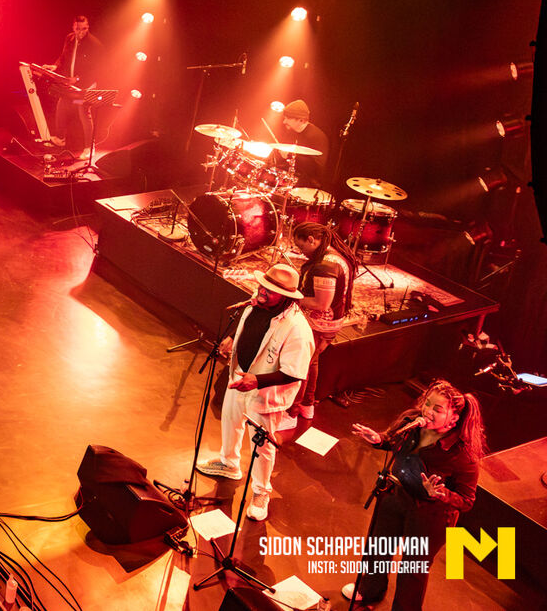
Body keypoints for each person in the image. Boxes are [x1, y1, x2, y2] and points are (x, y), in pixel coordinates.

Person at [345, 379, 486, 611]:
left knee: (412, 569)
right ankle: (370, 590)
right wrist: (380, 440)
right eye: (427, 403)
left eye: (437, 409)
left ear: (454, 418)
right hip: (397, 494)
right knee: (378, 548)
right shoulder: (411, 421)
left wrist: (441, 493)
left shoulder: (463, 455)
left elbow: (467, 500)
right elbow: (394, 441)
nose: (428, 411)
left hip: (430, 515)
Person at [196, 263, 314, 522]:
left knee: (262, 446)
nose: (262, 291)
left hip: (265, 393)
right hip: (241, 376)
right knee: (230, 422)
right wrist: (232, 340)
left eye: (270, 290)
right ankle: (229, 463)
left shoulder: (298, 329)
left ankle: (261, 491)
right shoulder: (256, 304)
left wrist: (258, 381)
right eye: (262, 285)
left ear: (286, 297)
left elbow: (295, 372)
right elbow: (249, 329)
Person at [291, 221, 356, 419]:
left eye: (301, 246)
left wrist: (292, 298)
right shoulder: (335, 256)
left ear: (312, 240)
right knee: (311, 363)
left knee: (300, 366)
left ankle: (292, 412)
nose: (301, 252)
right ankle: (307, 405)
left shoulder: (324, 266)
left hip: (318, 324)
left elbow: (321, 303)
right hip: (330, 322)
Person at [45, 15, 103, 150]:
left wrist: (77, 79)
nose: (81, 32)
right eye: (78, 29)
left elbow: (96, 69)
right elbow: (63, 56)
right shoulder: (70, 38)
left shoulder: (94, 44)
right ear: (73, 27)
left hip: (87, 85)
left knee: (83, 111)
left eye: (84, 29)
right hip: (72, 84)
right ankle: (60, 139)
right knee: (62, 105)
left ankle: (89, 148)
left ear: (88, 27)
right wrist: (55, 66)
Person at [278, 99, 329, 186]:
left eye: (288, 118)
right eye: (284, 118)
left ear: (301, 120)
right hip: (291, 177)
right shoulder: (291, 132)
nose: (284, 122)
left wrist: (290, 155)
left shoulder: (316, 137)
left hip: (307, 184)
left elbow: (315, 169)